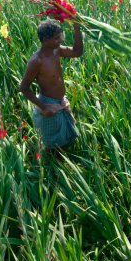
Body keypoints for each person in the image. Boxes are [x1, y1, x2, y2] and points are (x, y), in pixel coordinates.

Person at [20, 19, 83, 158]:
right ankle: (50, 167)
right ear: (45, 39)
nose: (60, 40)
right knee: (53, 145)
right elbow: (23, 87)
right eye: (56, 38)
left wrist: (77, 28)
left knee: (64, 140)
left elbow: (77, 52)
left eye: (60, 36)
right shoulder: (37, 60)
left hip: (60, 101)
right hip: (49, 103)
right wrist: (43, 107)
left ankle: (62, 162)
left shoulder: (56, 50)